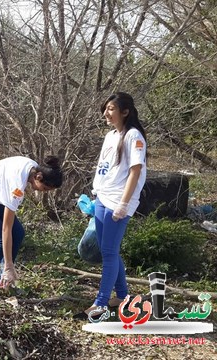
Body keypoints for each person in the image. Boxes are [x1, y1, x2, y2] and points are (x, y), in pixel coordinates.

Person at [76, 92, 147, 319]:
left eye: (111, 109)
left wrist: (124, 204)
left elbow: (135, 171)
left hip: (119, 201)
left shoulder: (133, 136)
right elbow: (105, 168)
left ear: (125, 112)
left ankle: (101, 303)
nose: (106, 113)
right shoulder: (110, 136)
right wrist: (95, 195)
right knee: (109, 250)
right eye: (105, 108)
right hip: (102, 199)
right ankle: (123, 296)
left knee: (108, 252)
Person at [0, 156, 64, 303]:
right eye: (45, 188)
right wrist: (9, 265)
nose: (44, 192)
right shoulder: (17, 186)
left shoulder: (34, 167)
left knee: (18, 233)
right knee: (0, 240)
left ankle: (2, 282)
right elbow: (6, 229)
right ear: (38, 177)